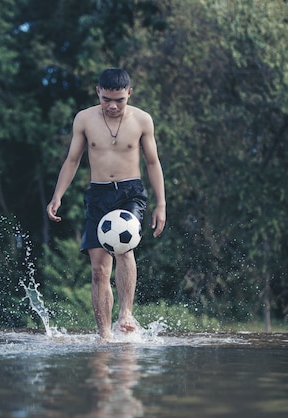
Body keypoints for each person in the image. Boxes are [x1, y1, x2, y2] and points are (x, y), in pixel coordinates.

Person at [46, 68, 167, 342]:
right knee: (99, 269)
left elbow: (152, 162)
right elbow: (73, 160)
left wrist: (161, 204)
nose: (112, 106)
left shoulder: (142, 120)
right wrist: (57, 196)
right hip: (98, 194)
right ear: (98, 92)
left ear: (129, 94)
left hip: (130, 192)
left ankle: (125, 314)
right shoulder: (84, 119)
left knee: (123, 248)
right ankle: (104, 335)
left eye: (119, 100)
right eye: (106, 99)